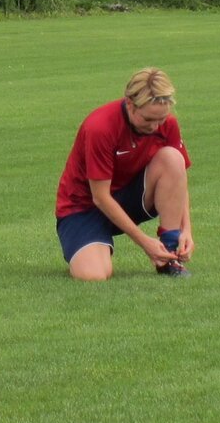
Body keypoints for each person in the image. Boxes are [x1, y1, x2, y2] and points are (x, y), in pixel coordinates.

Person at [55, 67, 194, 281]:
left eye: (161, 119)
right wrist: (145, 243)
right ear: (130, 104)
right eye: (148, 119)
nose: (155, 126)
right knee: (93, 275)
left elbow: (178, 179)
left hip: (129, 199)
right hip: (84, 207)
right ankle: (88, 249)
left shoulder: (167, 125)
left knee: (173, 158)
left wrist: (186, 230)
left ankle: (169, 255)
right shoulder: (100, 127)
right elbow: (100, 197)